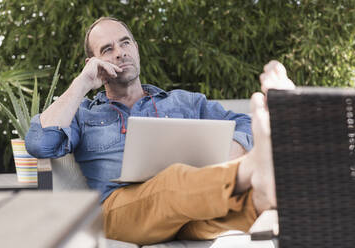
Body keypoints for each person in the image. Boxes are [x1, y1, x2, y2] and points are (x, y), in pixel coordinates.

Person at [25, 16, 295, 245]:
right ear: (92, 62)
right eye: (107, 49)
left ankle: (263, 191)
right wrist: (83, 83)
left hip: (188, 208)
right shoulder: (83, 113)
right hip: (121, 211)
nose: (119, 52)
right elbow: (40, 142)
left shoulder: (185, 101)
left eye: (125, 42)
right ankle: (253, 167)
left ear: (137, 48)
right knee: (173, 180)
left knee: (243, 204)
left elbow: (244, 124)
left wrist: (231, 151)